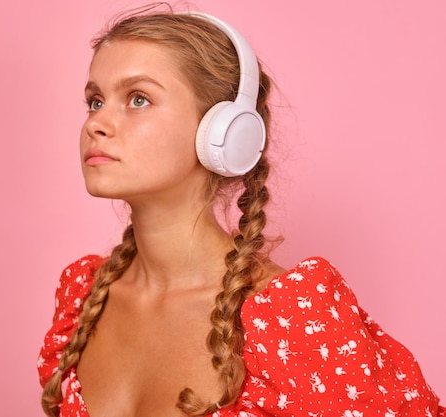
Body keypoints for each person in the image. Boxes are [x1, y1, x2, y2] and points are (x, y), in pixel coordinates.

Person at [37, 4, 444, 417]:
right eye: (94, 101)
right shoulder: (85, 295)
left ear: (223, 131)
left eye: (138, 98)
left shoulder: (295, 318)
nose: (97, 123)